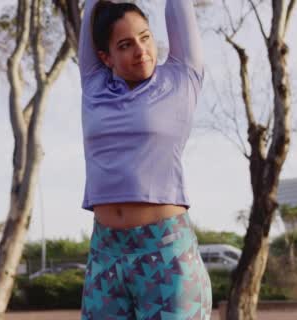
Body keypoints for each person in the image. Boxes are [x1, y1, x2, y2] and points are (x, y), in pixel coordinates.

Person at [78, 0, 212, 319]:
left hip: (165, 251)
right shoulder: (94, 84)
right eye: (125, 45)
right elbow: (91, 8)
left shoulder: (182, 77)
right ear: (105, 56)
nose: (141, 50)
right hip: (105, 251)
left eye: (145, 37)